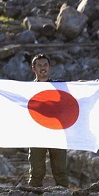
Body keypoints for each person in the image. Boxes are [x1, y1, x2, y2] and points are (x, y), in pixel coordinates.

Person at [27, 53, 69, 188]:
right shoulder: (26, 89)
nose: (43, 68)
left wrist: (97, 84)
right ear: (33, 68)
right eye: (39, 65)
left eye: (45, 65)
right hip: (36, 134)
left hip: (57, 133)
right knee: (36, 172)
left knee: (60, 170)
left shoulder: (60, 86)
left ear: (49, 68)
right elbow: (8, 93)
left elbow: (77, 87)